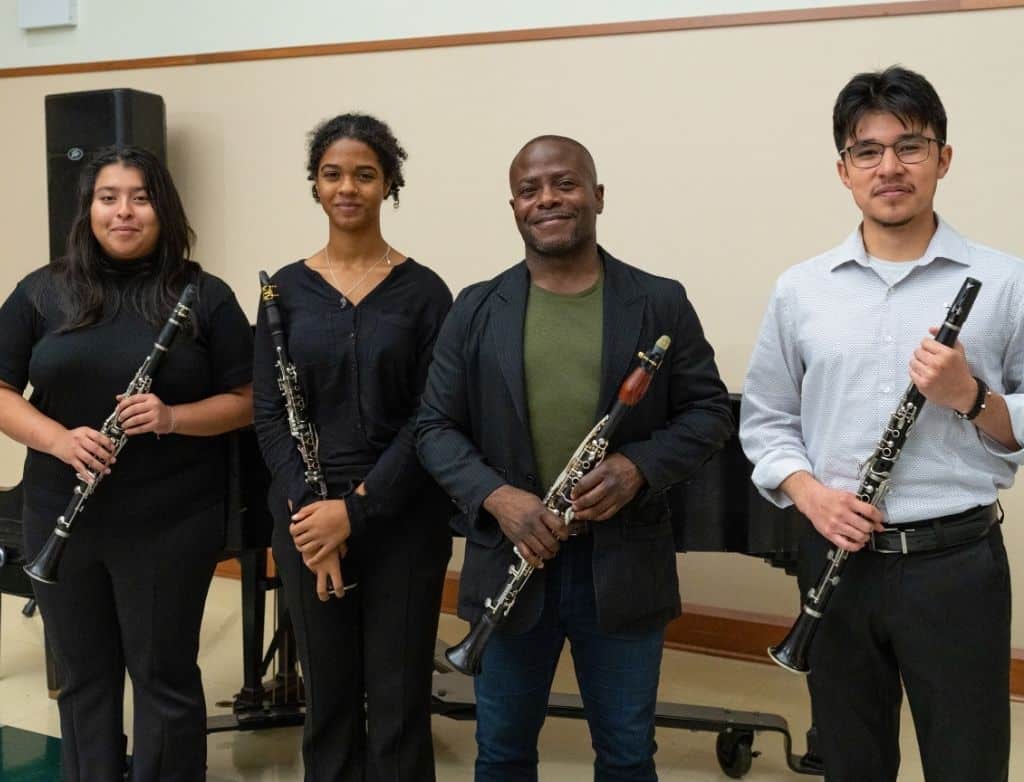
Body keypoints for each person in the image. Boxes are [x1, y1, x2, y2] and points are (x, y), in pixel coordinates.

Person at [416, 134, 733, 781]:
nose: (548, 199)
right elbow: (433, 428)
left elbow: (710, 412)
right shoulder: (476, 307)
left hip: (621, 569)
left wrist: (639, 466)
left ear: (597, 195)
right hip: (511, 557)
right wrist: (498, 498)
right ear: (514, 207)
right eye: (530, 190)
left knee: (625, 754)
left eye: (564, 183)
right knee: (501, 753)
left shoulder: (659, 301)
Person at [740, 66, 1024, 782]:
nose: (889, 167)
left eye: (911, 146)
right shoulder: (801, 289)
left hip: (956, 567)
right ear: (844, 169)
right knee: (851, 762)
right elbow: (766, 422)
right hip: (838, 560)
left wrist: (971, 395)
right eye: (867, 151)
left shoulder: (1005, 281)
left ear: (944, 159)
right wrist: (810, 495)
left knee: (968, 764)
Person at [0, 145, 254, 781]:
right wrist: (58, 440)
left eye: (140, 198)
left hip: (172, 519)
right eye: (108, 197)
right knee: (83, 678)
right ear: (88, 210)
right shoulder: (41, 291)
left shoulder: (204, 295)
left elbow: (251, 400)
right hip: (62, 512)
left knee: (164, 676)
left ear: (163, 209)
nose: (124, 212)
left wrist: (173, 417)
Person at [253, 113, 453, 782]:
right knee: (329, 703)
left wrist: (356, 511)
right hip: (308, 520)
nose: (347, 187)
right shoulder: (281, 290)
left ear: (388, 184)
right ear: (314, 184)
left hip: (402, 515)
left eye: (364, 174)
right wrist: (314, 516)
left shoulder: (425, 293)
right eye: (332, 174)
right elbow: (269, 412)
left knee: (399, 704)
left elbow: (432, 417)